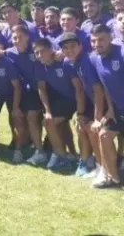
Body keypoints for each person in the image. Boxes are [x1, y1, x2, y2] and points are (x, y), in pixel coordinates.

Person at [90, 24, 124, 190]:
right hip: (119, 111)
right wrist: (111, 109)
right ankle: (113, 178)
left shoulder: (123, 54)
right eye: (93, 40)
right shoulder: (94, 58)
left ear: (110, 38)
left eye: (101, 39)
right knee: (104, 135)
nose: (97, 44)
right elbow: (106, 86)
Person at [59, 32, 104, 177]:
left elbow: (99, 91)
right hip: (90, 101)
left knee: (92, 129)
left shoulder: (86, 60)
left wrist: (97, 118)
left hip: (107, 103)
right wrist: (80, 113)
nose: (69, 50)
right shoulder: (69, 62)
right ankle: (86, 161)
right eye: (65, 48)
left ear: (80, 46)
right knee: (80, 125)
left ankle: (103, 167)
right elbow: (79, 89)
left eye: (72, 46)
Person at [34, 38, 83, 170]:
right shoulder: (39, 66)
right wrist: (48, 111)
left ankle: (61, 156)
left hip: (75, 99)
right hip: (61, 100)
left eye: (42, 52)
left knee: (50, 123)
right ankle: (66, 154)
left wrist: (80, 111)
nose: (39, 56)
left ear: (51, 49)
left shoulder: (64, 62)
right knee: (50, 121)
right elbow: (42, 88)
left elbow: (78, 88)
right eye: (36, 53)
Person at [5, 25, 46, 165]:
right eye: (14, 38)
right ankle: (19, 149)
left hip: (35, 91)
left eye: (19, 37)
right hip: (17, 92)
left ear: (27, 37)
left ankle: (39, 151)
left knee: (32, 118)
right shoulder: (8, 53)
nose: (16, 40)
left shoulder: (36, 51)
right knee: (17, 120)